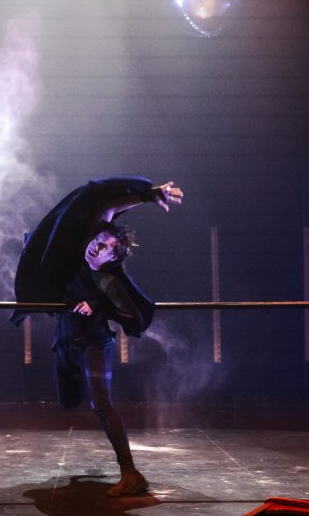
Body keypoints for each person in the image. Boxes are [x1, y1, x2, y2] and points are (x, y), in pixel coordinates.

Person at [11, 176, 183, 496]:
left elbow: (133, 317)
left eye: (104, 249)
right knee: (68, 399)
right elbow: (105, 204)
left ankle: (131, 473)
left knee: (101, 405)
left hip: (93, 344)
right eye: (99, 240)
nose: (97, 247)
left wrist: (99, 304)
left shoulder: (109, 282)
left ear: (111, 260)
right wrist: (147, 195)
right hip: (64, 342)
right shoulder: (85, 242)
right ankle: (71, 384)